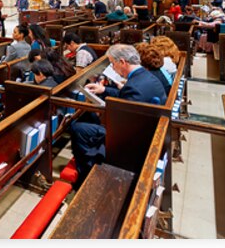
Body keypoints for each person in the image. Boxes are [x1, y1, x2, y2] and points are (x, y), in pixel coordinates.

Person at [69, 44, 167, 181]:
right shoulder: (145, 76)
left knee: (77, 128)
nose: (113, 68)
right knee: (90, 116)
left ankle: (87, 173)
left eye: (112, 64)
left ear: (122, 62)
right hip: (143, 126)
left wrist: (103, 114)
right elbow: (125, 96)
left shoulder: (135, 86)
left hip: (132, 140)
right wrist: (103, 91)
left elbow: (121, 124)